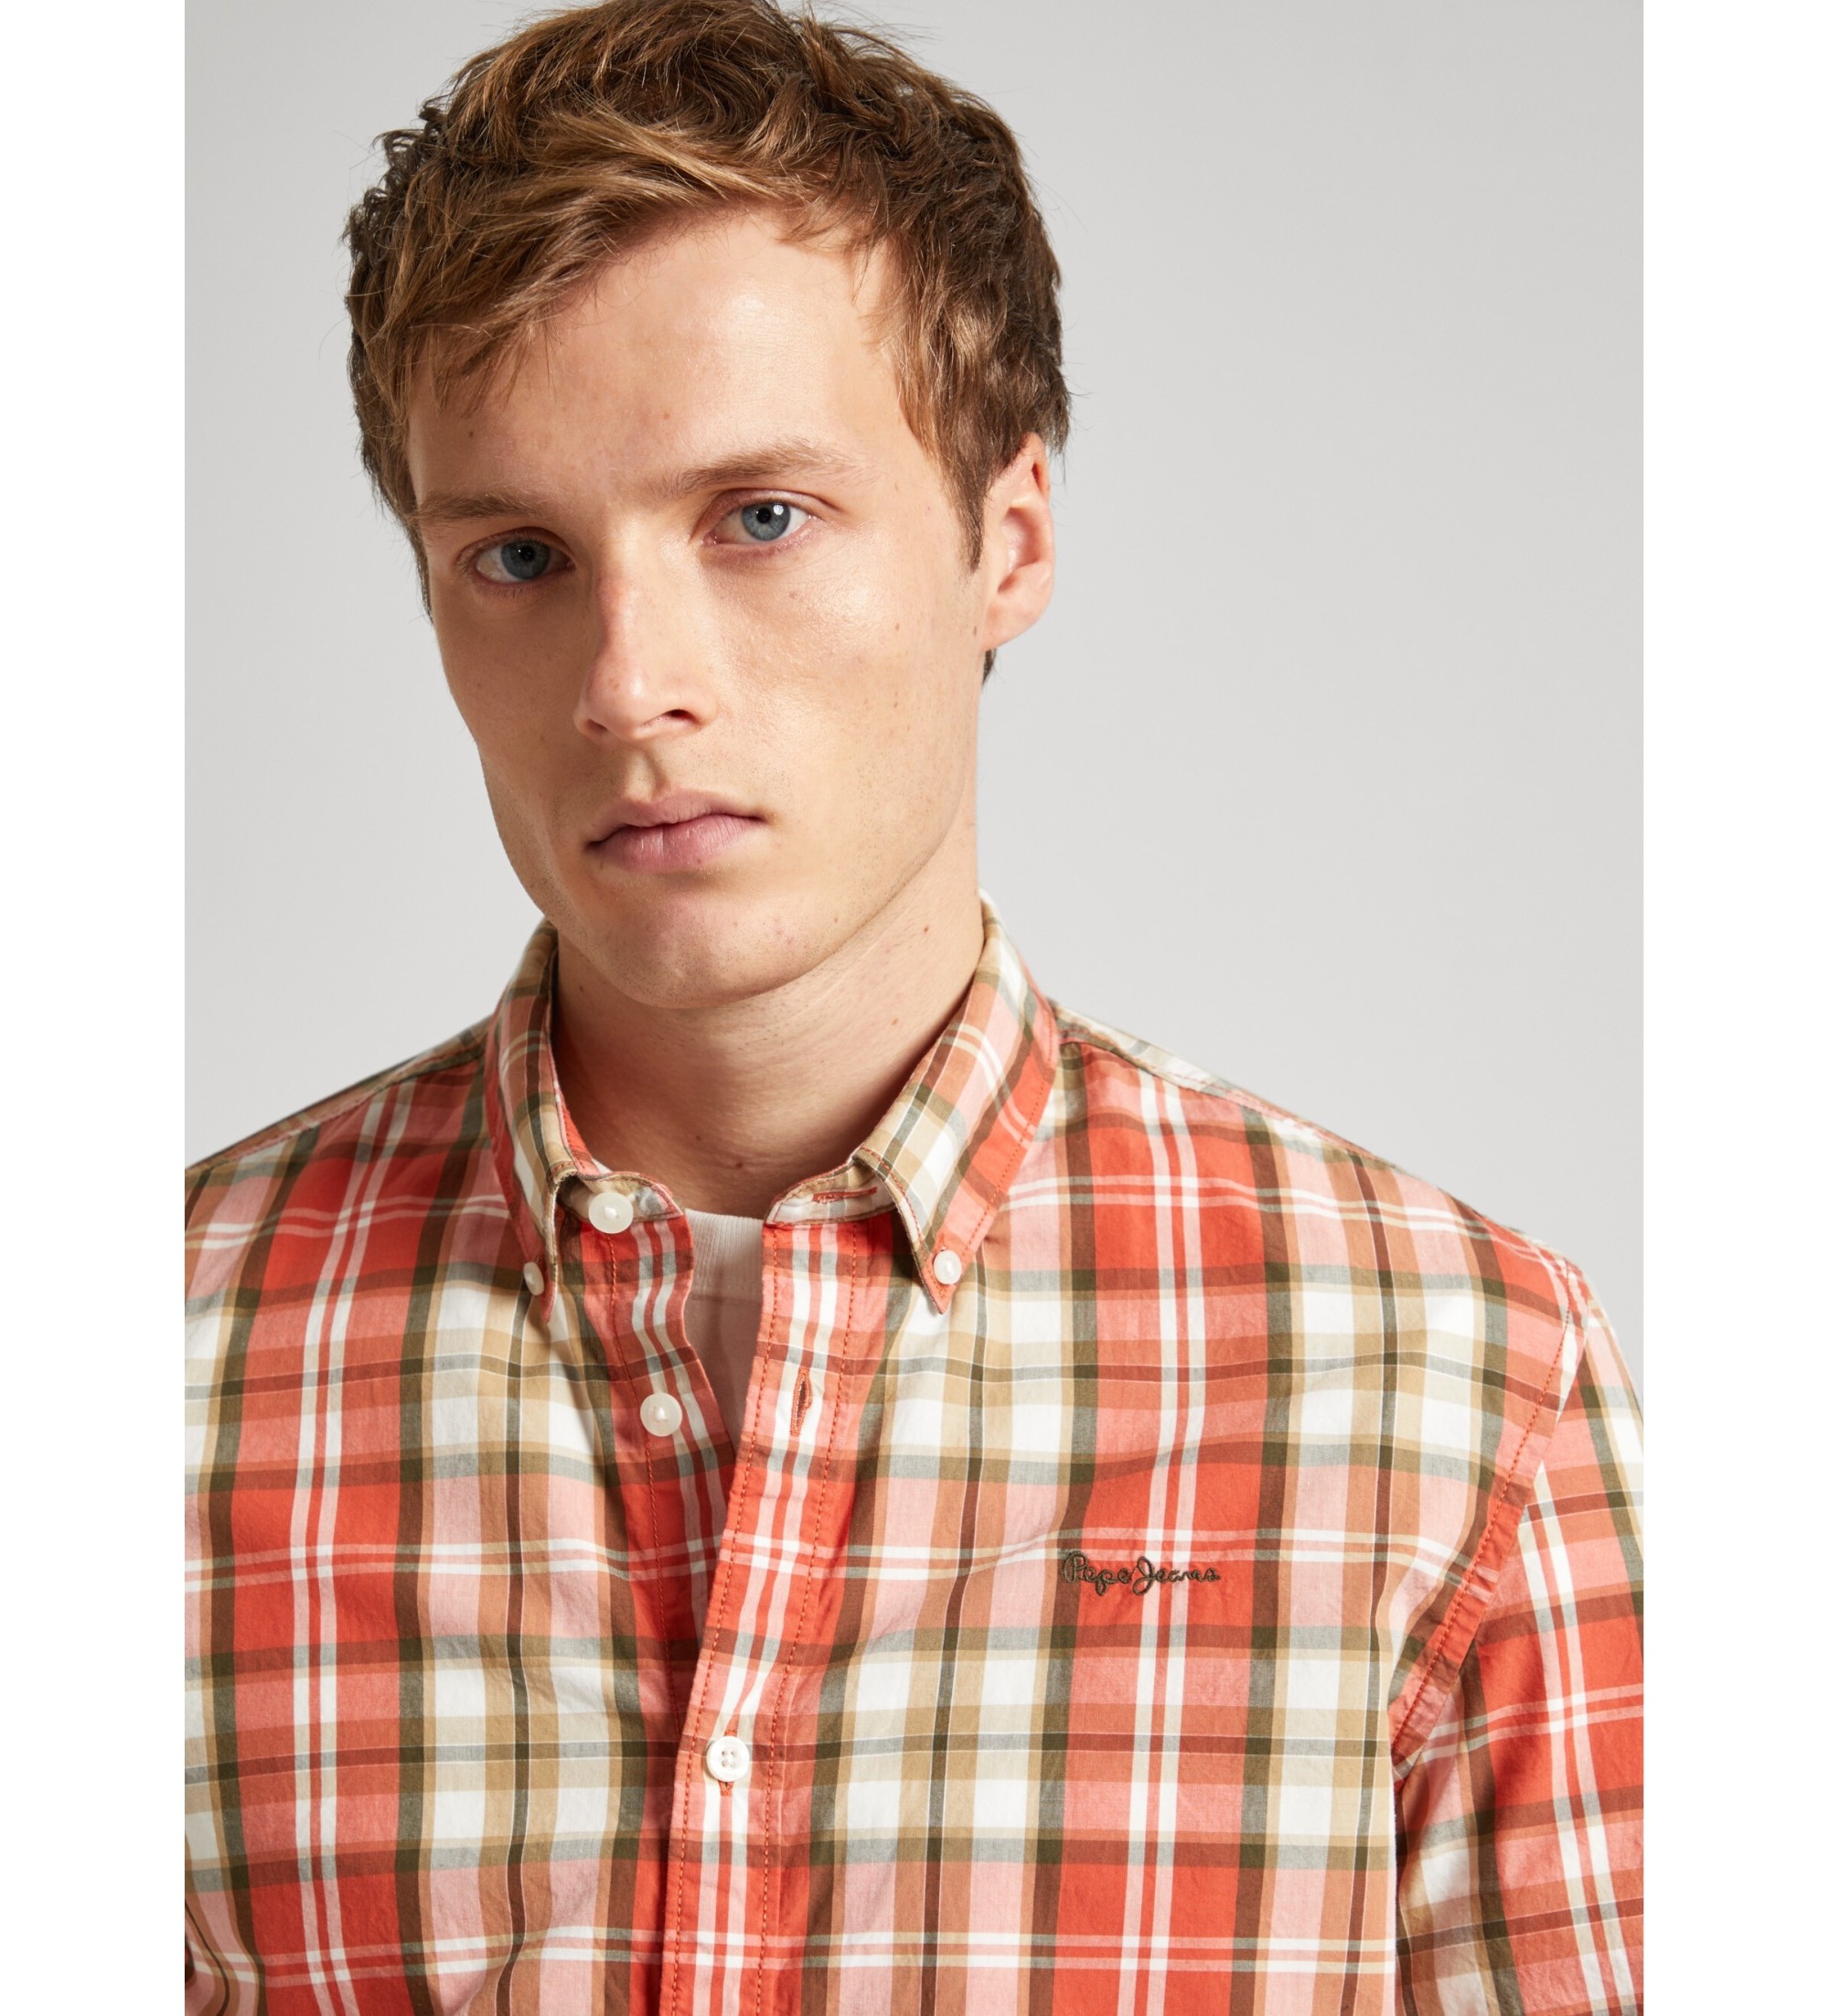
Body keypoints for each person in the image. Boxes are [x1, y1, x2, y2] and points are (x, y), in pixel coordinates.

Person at [184, 3, 1643, 2009]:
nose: (629, 682)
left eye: (759, 518)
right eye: (519, 554)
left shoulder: (1459, 1390)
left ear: (1005, 541)